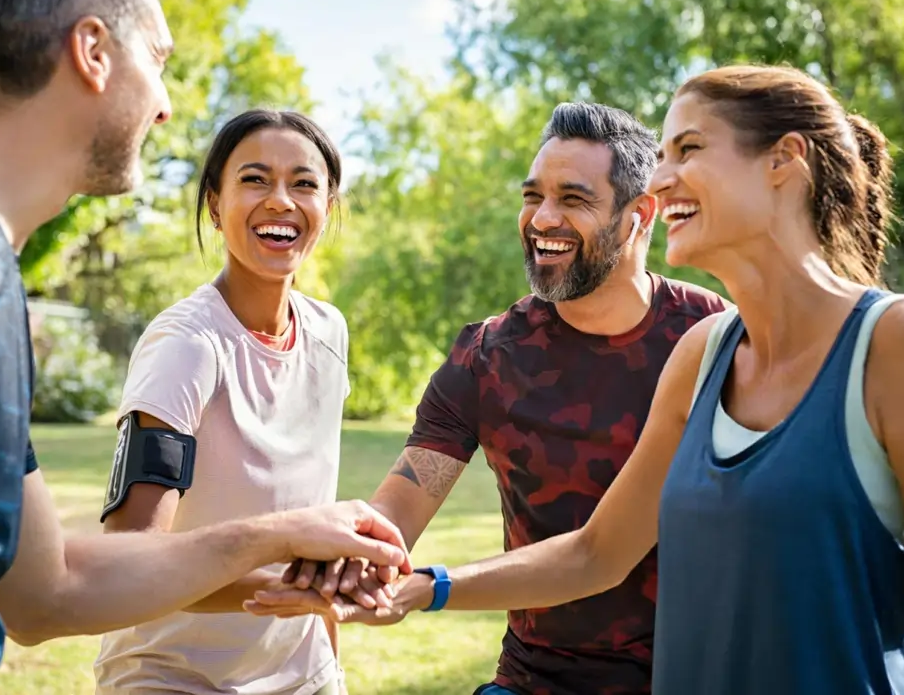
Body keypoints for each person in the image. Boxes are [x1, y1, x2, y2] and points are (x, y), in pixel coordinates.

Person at [251, 66, 904, 695]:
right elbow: (588, 551)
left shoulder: (875, 340)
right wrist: (372, 572)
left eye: (689, 149)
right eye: (532, 194)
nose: (542, 217)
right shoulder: (675, 356)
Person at [0, 0, 408, 694]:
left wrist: (286, 539)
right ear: (94, 51)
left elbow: (48, 592)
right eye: (160, 59)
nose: (167, 107)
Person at [253, 101, 727, 694]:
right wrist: (341, 567)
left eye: (573, 200)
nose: (542, 219)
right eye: (533, 196)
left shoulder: (718, 337)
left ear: (639, 215)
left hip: (698, 677)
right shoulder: (487, 357)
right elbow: (395, 517)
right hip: (537, 681)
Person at [91, 109, 364, 695]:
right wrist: (295, 589)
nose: (281, 201)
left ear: (329, 206)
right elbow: (131, 560)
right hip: (171, 676)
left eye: (305, 183)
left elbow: (313, 509)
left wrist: (327, 657)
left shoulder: (328, 332)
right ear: (215, 205)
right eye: (255, 179)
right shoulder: (185, 347)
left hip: (305, 675)